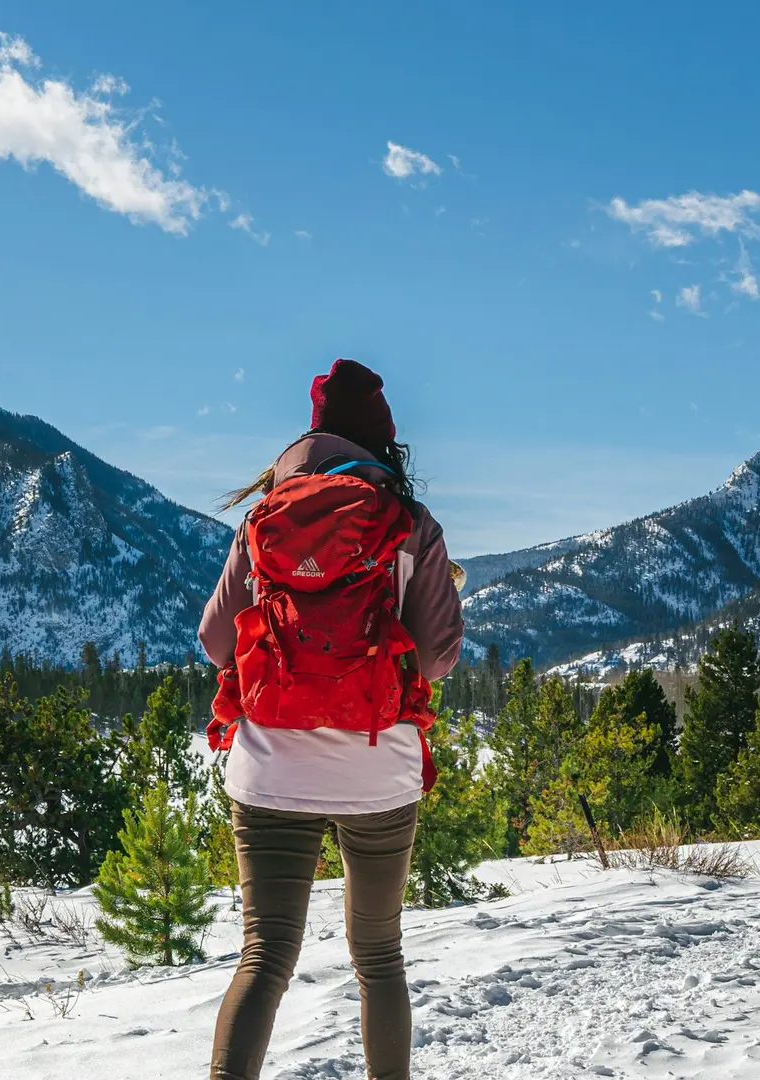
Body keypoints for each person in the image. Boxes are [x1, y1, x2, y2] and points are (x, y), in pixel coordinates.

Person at [201, 358, 464, 1080]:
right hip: (377, 765)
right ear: (384, 442)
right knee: (378, 957)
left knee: (265, 956)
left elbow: (218, 641)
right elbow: (438, 659)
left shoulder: (264, 518)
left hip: (268, 764)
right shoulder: (407, 525)